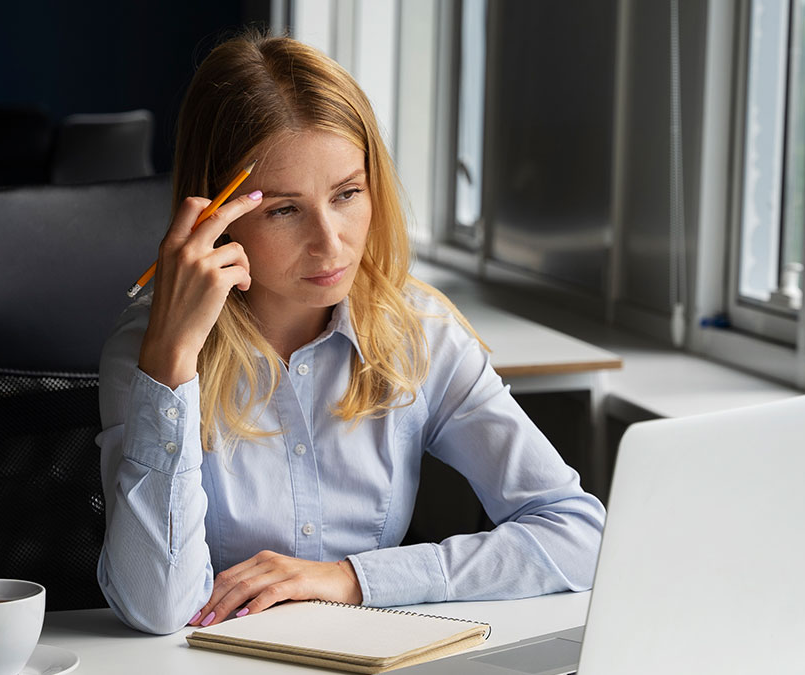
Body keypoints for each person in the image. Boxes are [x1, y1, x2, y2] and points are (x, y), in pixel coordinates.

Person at [96, 32, 605, 635]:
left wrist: (351, 578)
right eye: (283, 209)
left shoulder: (418, 334)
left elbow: (577, 534)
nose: (331, 242)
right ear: (214, 214)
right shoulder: (149, 350)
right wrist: (173, 356)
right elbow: (158, 609)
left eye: (347, 194)